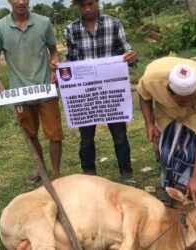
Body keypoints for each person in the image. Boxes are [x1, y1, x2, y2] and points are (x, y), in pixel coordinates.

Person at [0, 0, 63, 184]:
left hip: (45, 88)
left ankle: (56, 174)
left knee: (55, 134)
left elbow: (54, 51)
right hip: (19, 92)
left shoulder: (43, 22)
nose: (21, 1)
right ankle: (41, 169)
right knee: (30, 133)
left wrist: (55, 68)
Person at [63, 0, 137, 181]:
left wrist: (131, 57)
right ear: (76, 6)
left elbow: (126, 50)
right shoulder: (71, 29)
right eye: (82, 6)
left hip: (111, 91)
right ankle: (89, 174)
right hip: (86, 94)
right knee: (86, 138)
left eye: (90, 4)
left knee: (120, 136)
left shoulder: (114, 23)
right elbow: (70, 58)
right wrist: (61, 70)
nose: (87, 9)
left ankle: (126, 173)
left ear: (97, 2)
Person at [137, 57, 196, 206]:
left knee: (193, 153)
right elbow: (144, 95)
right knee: (167, 151)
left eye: (190, 99)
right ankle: (169, 188)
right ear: (168, 90)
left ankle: (195, 184)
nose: (185, 104)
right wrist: (149, 123)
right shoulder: (151, 79)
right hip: (166, 113)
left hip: (193, 116)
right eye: (181, 101)